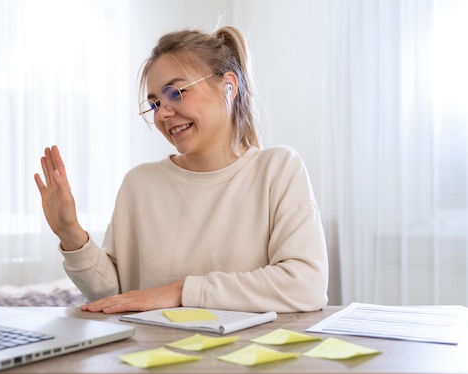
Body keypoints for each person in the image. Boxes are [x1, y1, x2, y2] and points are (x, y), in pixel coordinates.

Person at [34, 26, 328, 314]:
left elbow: (305, 286)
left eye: (175, 92)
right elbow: (116, 297)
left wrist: (179, 292)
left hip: (246, 358)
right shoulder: (139, 184)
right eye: (154, 103)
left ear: (229, 86)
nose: (163, 113)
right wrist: (71, 234)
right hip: (153, 356)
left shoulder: (277, 170)